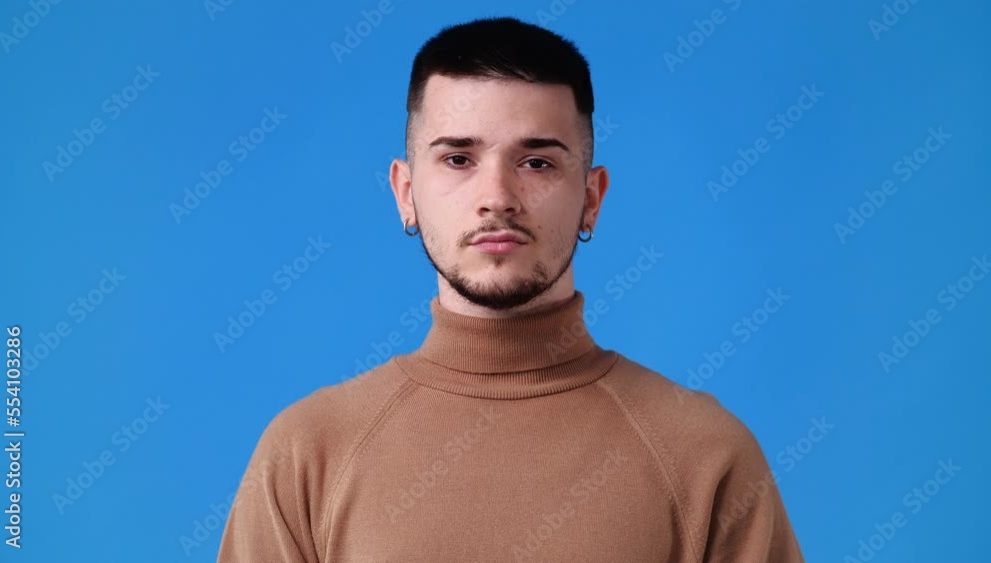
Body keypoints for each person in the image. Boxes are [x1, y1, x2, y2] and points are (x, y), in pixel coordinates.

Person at [218, 16, 804, 562]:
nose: (497, 197)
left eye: (537, 163)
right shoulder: (307, 453)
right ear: (405, 193)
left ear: (591, 198)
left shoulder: (704, 454)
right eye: (458, 159)